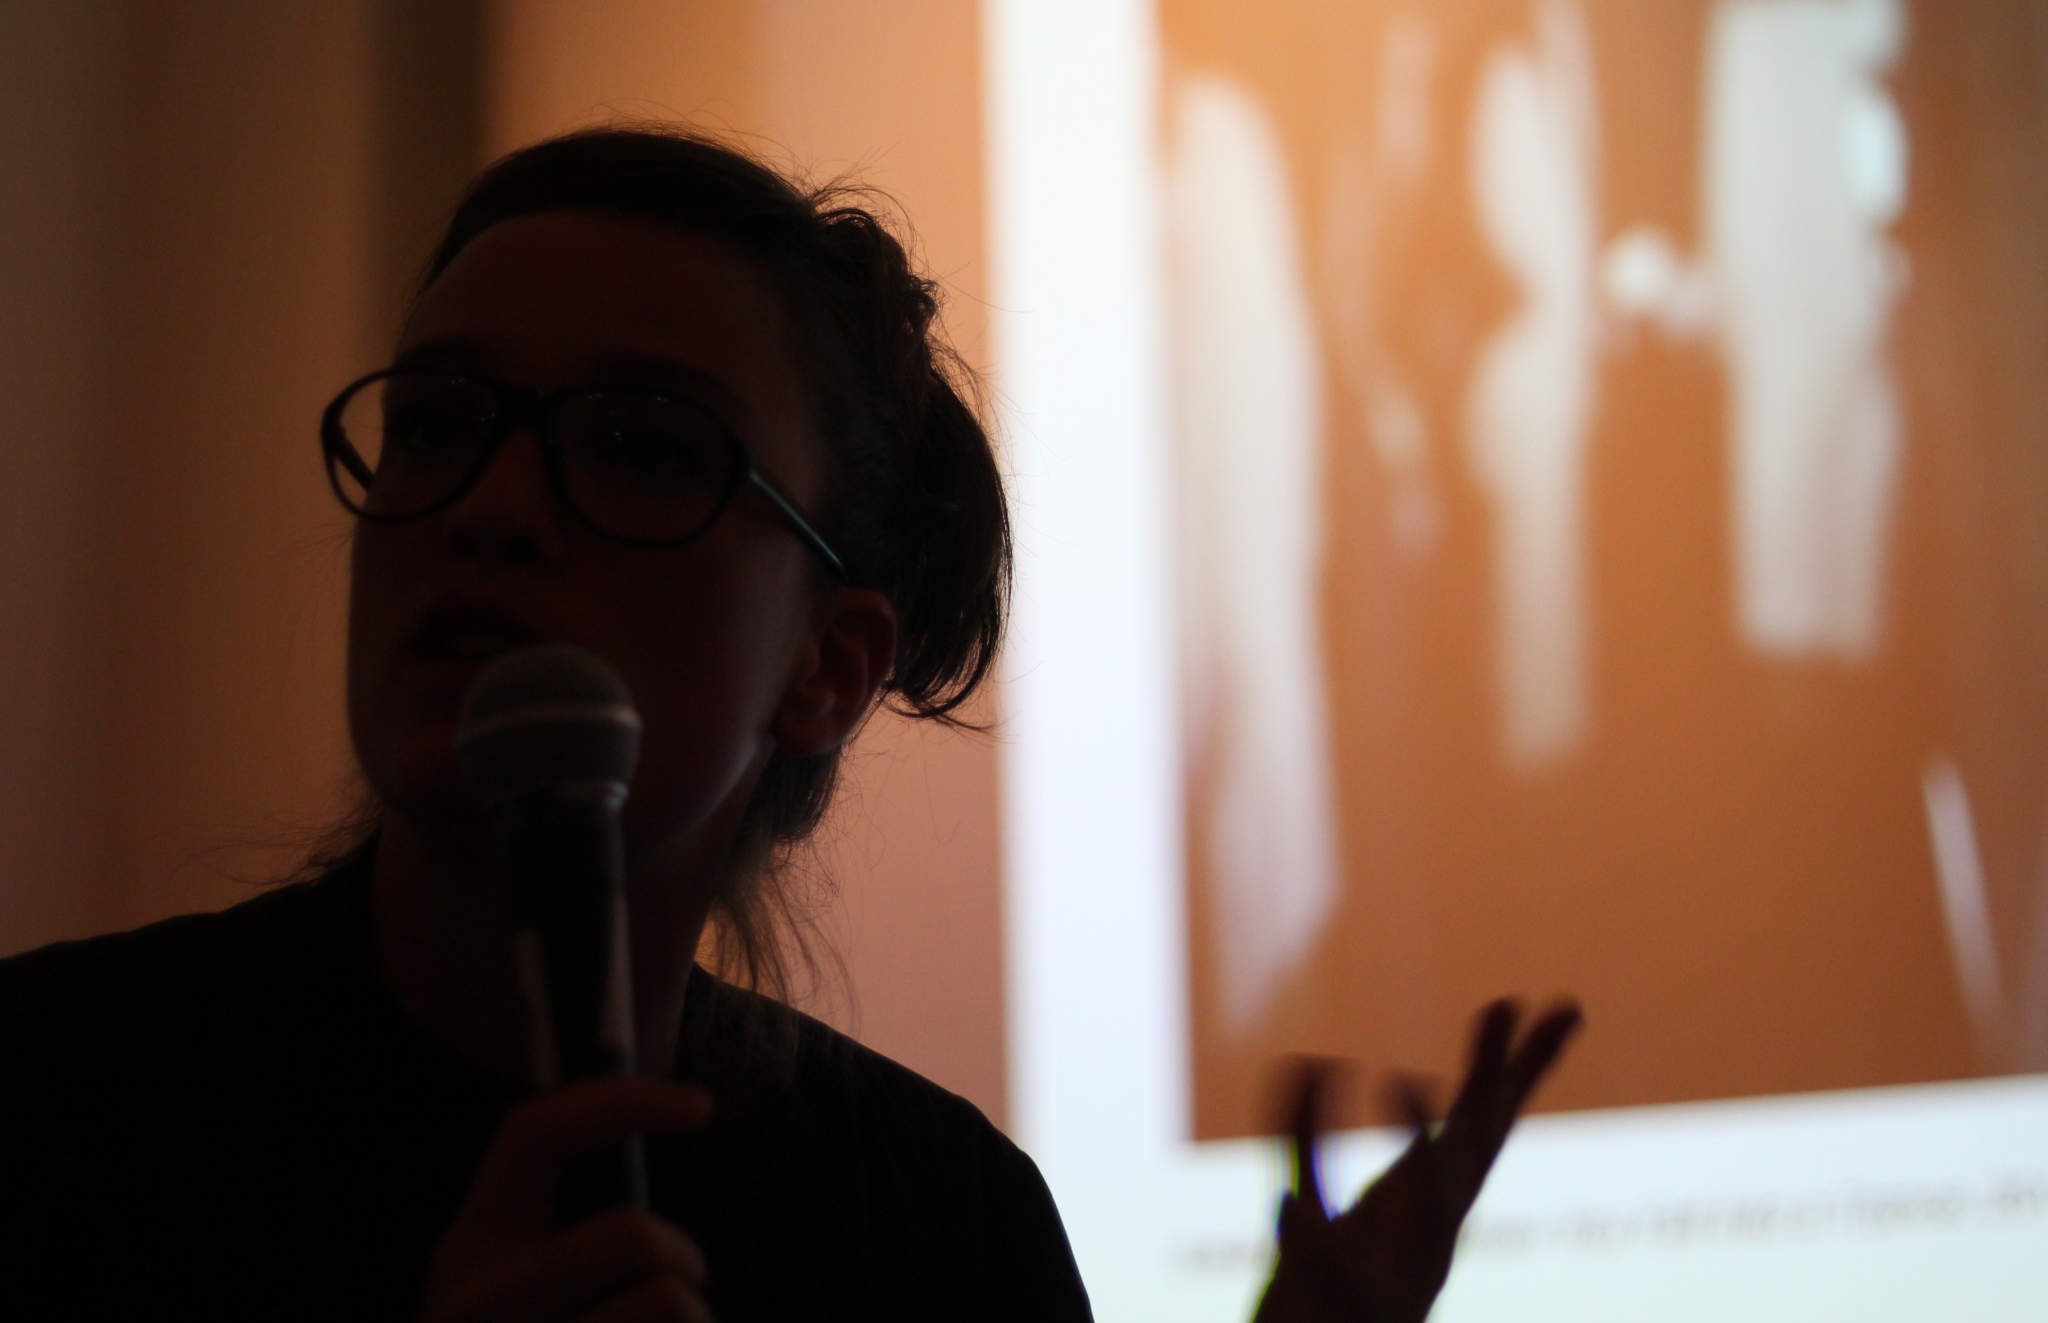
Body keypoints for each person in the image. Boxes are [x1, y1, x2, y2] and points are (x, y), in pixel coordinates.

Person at [0, 126, 1577, 1321]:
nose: (488, 504)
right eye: (437, 422)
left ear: (827, 664)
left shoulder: (939, 1223)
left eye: (638, 446)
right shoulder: (53, 1097)